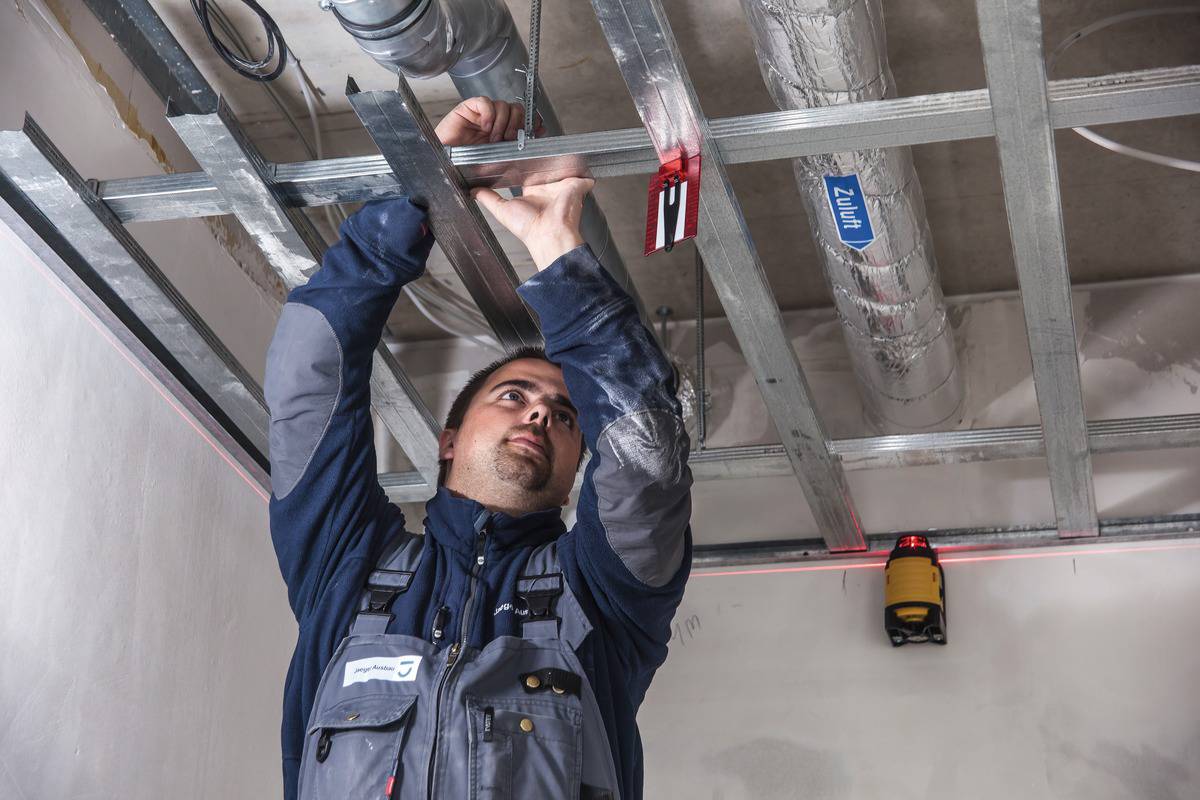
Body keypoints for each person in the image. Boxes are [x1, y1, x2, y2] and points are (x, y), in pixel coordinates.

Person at [264, 96, 693, 800]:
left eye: (565, 414)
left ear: (580, 464)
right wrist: (421, 191)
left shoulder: (604, 600)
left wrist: (558, 245)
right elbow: (306, 381)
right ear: (449, 439)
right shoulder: (348, 566)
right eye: (513, 395)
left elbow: (645, 455)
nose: (540, 415)